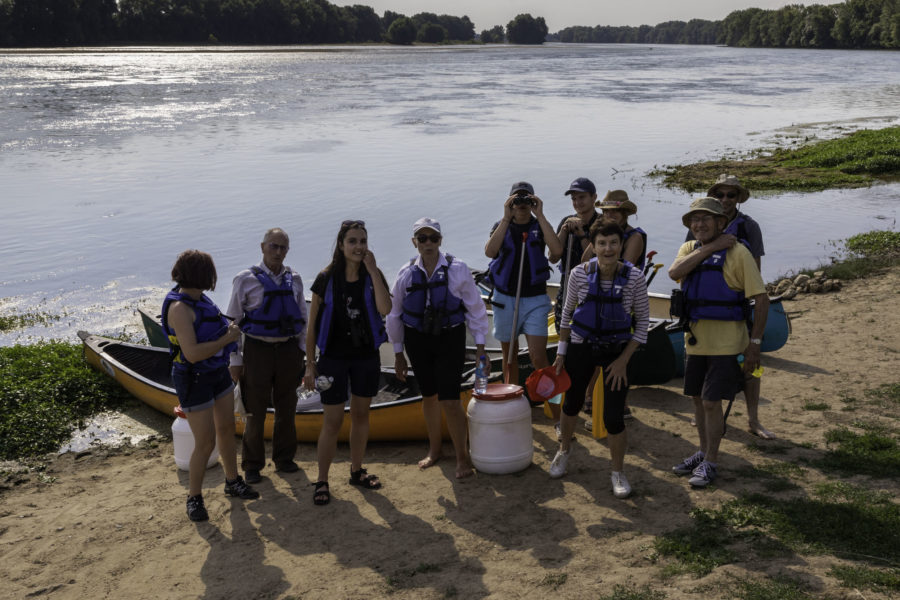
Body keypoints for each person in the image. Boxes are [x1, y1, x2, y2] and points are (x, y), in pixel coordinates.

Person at [668, 197, 769, 488]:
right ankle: (701, 452)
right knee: (698, 401)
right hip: (695, 343)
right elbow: (675, 273)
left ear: (720, 223)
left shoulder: (739, 254)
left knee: (712, 402)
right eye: (694, 220)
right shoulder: (689, 249)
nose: (699, 224)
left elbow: (760, 300)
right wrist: (711, 247)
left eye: (706, 219)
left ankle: (711, 460)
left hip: (728, 345)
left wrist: (755, 343)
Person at [550, 222, 649, 498]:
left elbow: (641, 326)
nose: (608, 249)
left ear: (621, 245)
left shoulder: (635, 278)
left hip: (617, 351)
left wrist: (623, 361)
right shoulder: (579, 274)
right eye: (602, 243)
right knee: (571, 404)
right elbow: (566, 315)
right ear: (593, 246)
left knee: (614, 417)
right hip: (582, 346)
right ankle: (564, 451)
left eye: (614, 243)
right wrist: (561, 352)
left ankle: (618, 471)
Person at [387, 217, 490, 479]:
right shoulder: (405, 273)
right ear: (415, 243)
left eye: (433, 238)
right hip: (417, 340)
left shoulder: (458, 269)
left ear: (440, 241)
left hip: (449, 337)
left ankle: (462, 457)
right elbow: (394, 314)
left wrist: (480, 347)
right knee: (428, 396)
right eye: (422, 238)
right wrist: (398, 353)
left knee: (451, 399)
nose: (428, 243)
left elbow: (476, 309)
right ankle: (434, 450)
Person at [162, 250, 259, 522]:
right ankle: (194, 497)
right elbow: (191, 353)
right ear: (201, 275)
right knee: (205, 442)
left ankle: (233, 481)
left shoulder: (200, 299)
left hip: (217, 373)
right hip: (193, 378)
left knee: (227, 430)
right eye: (210, 273)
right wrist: (226, 339)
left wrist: (227, 332)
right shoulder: (179, 309)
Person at [304, 220, 392, 506]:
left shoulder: (372, 275)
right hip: (333, 359)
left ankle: (356, 470)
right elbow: (312, 326)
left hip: (366, 356)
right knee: (332, 421)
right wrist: (309, 364)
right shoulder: (326, 277)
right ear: (341, 246)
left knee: (361, 416)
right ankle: (322, 480)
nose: (358, 246)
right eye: (352, 241)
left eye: (363, 241)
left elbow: (385, 308)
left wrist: (373, 271)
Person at [687, 174, 773, 439]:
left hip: (738, 303)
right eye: (720, 195)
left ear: (738, 199)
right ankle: (703, 413)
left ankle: (753, 419)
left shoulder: (749, 227)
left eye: (731, 195)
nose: (725, 199)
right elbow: (690, 261)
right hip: (703, 314)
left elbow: (754, 270)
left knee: (750, 365)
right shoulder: (700, 223)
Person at [226, 228, 307, 484]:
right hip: (257, 350)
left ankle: (284, 459)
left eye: (283, 247)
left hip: (288, 350)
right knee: (254, 410)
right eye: (274, 246)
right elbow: (233, 324)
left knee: (287, 407)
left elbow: (303, 320)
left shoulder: (294, 278)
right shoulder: (244, 279)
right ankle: (252, 465)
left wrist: (304, 354)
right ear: (263, 247)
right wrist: (235, 361)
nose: (278, 252)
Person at [484, 181, 563, 405]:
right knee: (510, 358)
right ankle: (514, 403)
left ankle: (554, 407)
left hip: (535, 300)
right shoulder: (502, 225)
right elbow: (490, 252)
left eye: (526, 199)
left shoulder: (540, 225)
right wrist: (506, 217)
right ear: (509, 202)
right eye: (516, 200)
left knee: (538, 357)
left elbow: (556, 251)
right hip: (506, 299)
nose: (521, 204)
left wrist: (541, 214)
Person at [589, 190, 647, 271]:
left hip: (623, 283)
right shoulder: (601, 233)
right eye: (606, 211)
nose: (609, 215)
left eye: (615, 210)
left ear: (625, 213)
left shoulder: (635, 237)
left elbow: (623, 270)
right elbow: (584, 262)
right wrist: (595, 232)